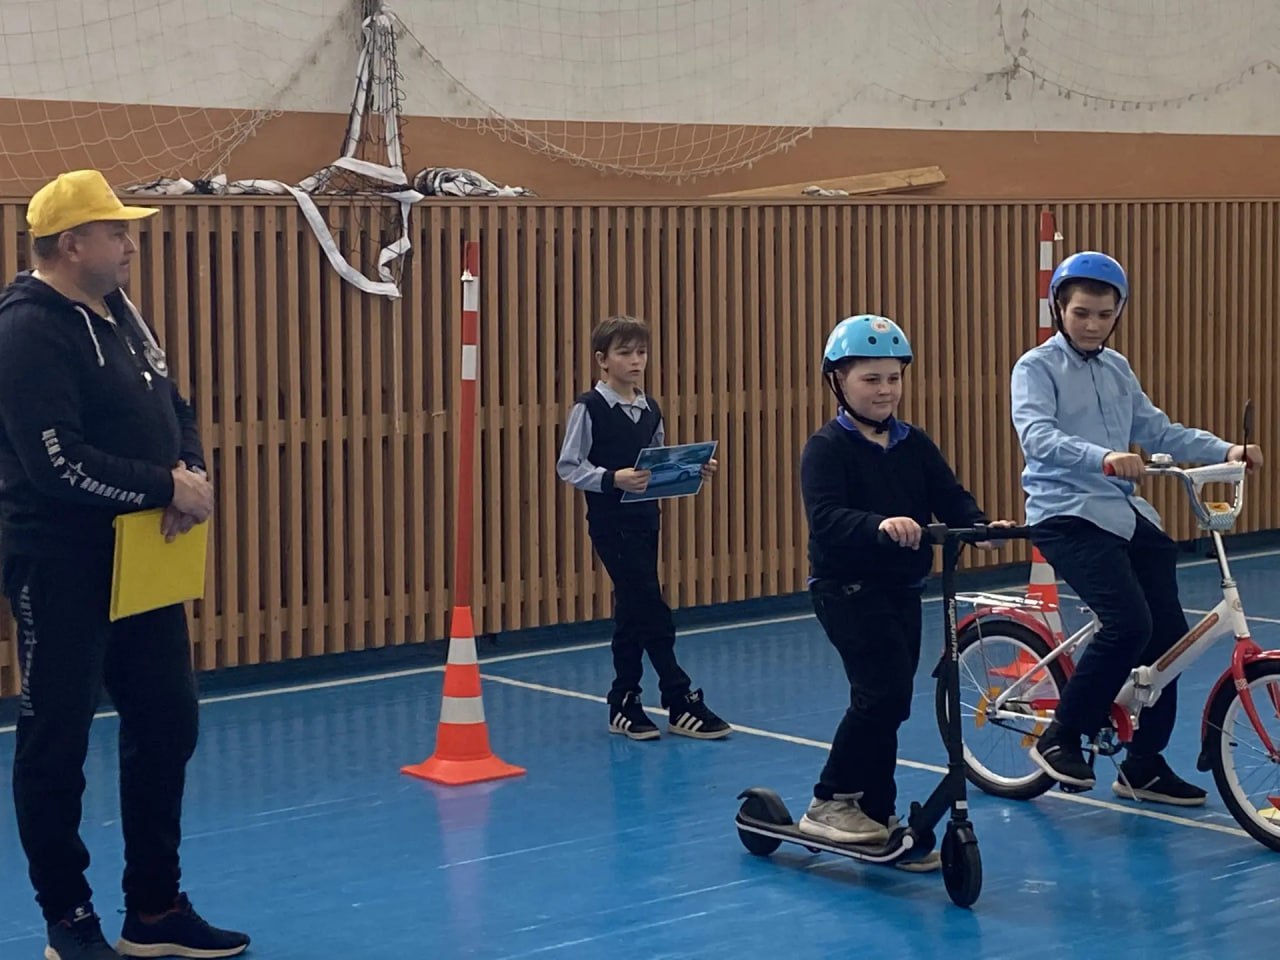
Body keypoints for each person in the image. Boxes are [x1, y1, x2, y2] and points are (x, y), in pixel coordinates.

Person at [0, 170, 251, 959]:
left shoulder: (121, 314)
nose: (131, 243)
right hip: (61, 565)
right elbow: (56, 464)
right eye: (116, 232)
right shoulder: (28, 331)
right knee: (57, 743)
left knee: (168, 720)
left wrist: (189, 472)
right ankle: (69, 920)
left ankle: (154, 908)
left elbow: (174, 405)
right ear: (73, 244)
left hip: (141, 559)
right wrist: (162, 486)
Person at [1011, 250, 1263, 805]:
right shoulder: (1035, 367)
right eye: (1081, 313)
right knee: (1128, 624)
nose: (1093, 324)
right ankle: (1060, 736)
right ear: (1059, 308)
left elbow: (1158, 429)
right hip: (1066, 514)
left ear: (1118, 313)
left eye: (1104, 314)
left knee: (1170, 640)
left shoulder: (1116, 368)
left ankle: (1143, 766)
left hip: (1125, 516)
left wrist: (1226, 449)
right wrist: (1102, 457)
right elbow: (1037, 436)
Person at [797, 314, 1012, 865]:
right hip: (845, 587)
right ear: (838, 381)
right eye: (871, 379)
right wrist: (880, 524)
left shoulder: (913, 443)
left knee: (892, 702)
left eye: (893, 378)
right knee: (881, 693)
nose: (885, 390)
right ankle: (829, 800)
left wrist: (981, 527)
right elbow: (827, 518)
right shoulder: (827, 447)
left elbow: (950, 495)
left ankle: (876, 811)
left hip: (901, 586)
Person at [556, 314, 731, 741]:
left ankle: (624, 699)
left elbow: (657, 462)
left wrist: (692, 470)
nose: (636, 361)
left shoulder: (650, 409)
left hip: (646, 520)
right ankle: (678, 695)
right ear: (602, 360)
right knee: (651, 607)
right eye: (625, 353)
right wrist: (611, 478)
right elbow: (569, 465)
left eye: (641, 352)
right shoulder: (589, 408)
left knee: (633, 609)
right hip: (610, 524)